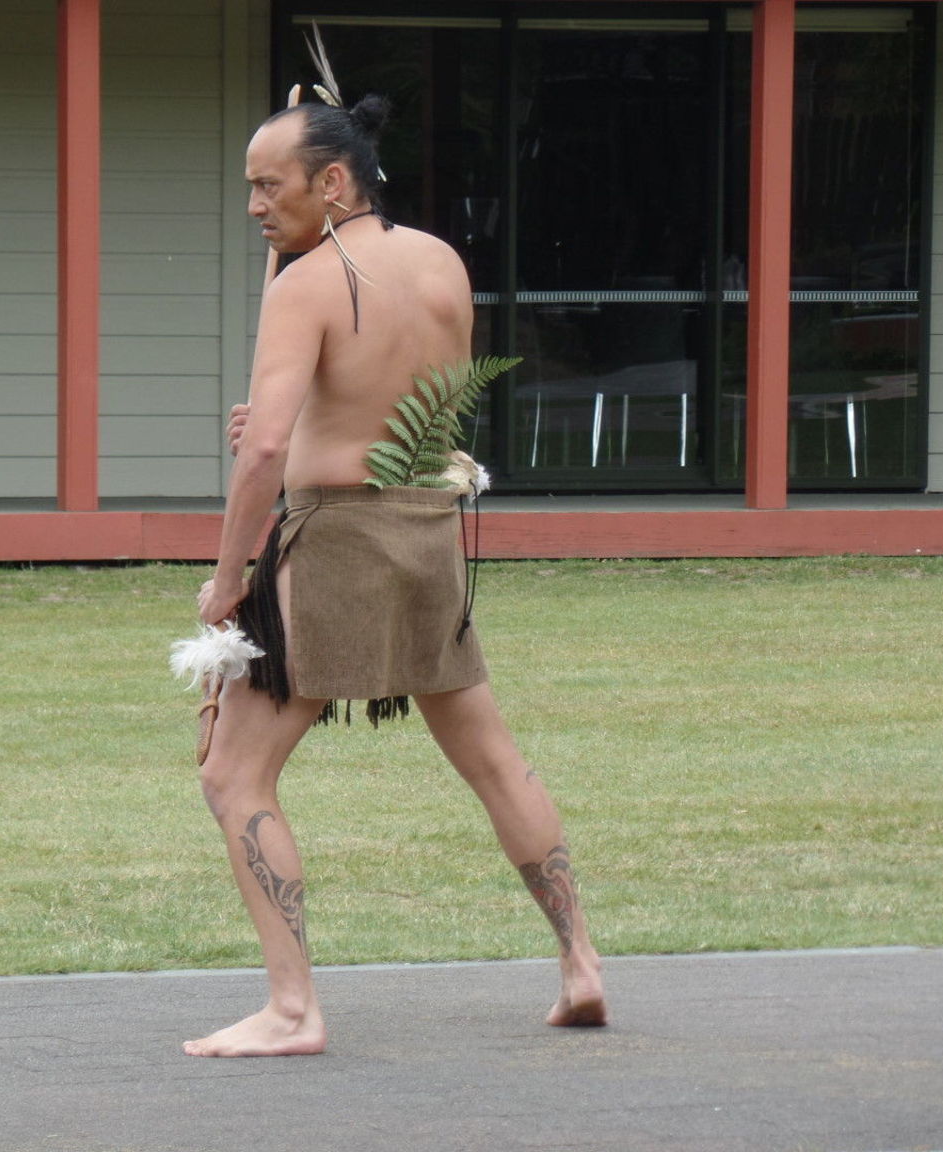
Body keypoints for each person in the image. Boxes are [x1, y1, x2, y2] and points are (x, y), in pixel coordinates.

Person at [186, 94, 607, 1059]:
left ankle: (292, 1010)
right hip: (428, 535)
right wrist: (291, 433)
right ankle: (581, 963)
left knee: (232, 771)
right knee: (494, 758)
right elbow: (403, 412)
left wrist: (226, 583)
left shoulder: (306, 285)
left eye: (268, 183)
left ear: (332, 182)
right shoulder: (439, 263)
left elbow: (266, 458)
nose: (254, 204)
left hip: (334, 543)